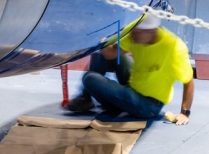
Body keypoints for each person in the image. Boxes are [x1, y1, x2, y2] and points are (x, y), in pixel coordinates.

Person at [66, 14, 195, 124]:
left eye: (137, 34)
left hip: (148, 105)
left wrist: (185, 113)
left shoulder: (173, 48)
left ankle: (115, 104)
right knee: (103, 56)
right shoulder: (136, 31)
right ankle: (85, 99)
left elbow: (189, 81)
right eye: (133, 31)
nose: (133, 36)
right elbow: (110, 53)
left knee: (90, 79)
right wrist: (101, 39)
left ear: (152, 32)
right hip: (133, 85)